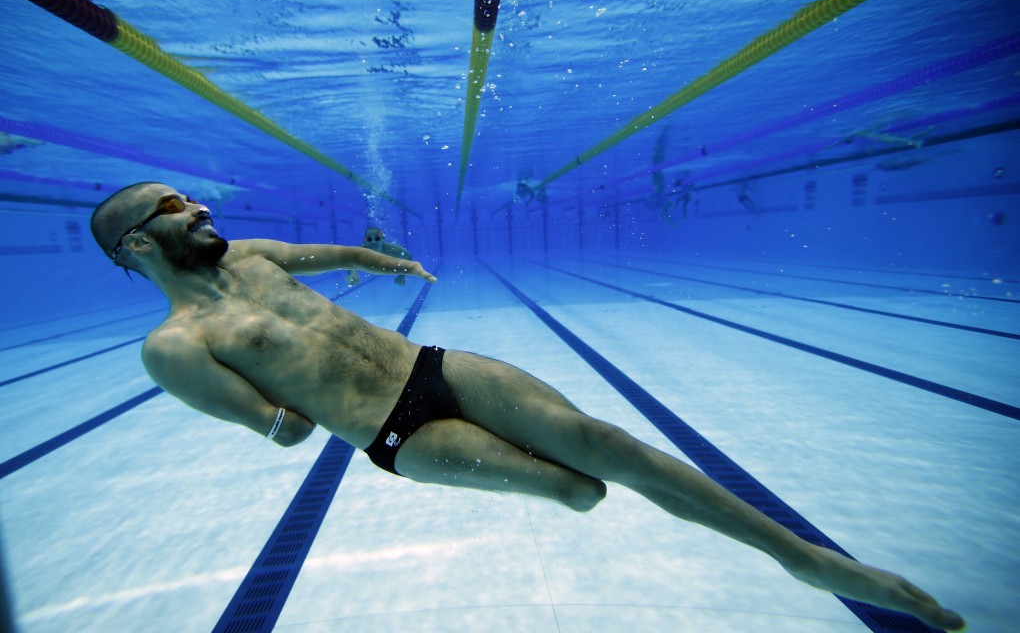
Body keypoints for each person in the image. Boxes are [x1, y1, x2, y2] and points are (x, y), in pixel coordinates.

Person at [89, 182, 965, 632]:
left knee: (601, 439)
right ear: (139, 242)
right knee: (577, 488)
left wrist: (390, 264)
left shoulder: (251, 254)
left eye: (191, 196)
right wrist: (281, 402)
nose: (197, 206)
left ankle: (806, 559)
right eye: (173, 206)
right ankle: (572, 492)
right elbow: (281, 433)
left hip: (437, 364)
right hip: (400, 432)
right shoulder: (173, 349)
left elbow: (325, 251)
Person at [346, 226, 412, 286]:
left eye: (377, 238)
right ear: (364, 241)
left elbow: (408, 256)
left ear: (382, 239)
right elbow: (349, 261)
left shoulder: (392, 250)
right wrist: (352, 273)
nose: (373, 242)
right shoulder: (361, 251)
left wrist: (401, 276)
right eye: (369, 239)